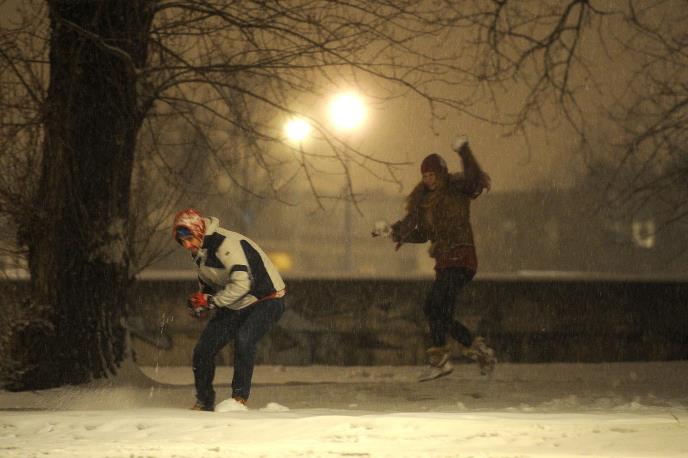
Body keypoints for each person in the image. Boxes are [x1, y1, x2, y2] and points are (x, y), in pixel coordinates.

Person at [382, 135, 496, 381]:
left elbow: (474, 178)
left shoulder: (456, 189)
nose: (429, 180)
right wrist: (393, 231)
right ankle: (477, 351)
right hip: (444, 262)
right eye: (425, 175)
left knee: (433, 306)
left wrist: (464, 151)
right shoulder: (423, 202)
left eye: (432, 175)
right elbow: (421, 233)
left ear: (441, 174)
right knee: (440, 313)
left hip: (462, 258)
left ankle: (441, 360)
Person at [173, 208, 286, 411]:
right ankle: (204, 402)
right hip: (236, 303)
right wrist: (202, 299)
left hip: (267, 298)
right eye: (182, 241)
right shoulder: (199, 251)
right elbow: (209, 281)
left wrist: (213, 302)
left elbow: (242, 283)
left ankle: (238, 400)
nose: (187, 245)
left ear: (199, 231)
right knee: (203, 350)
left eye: (189, 239)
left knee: (244, 339)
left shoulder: (225, 244)